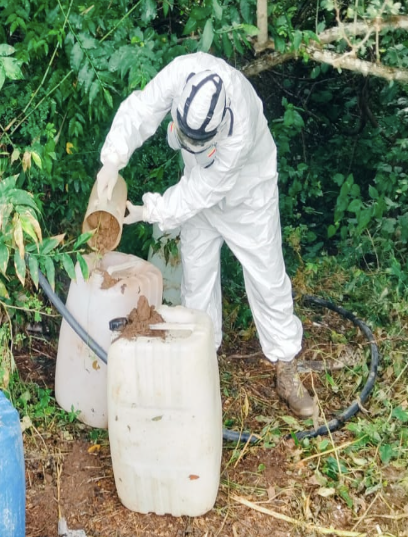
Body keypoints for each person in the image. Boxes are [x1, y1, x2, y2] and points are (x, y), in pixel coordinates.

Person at [94, 52, 314, 418]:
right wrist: (112, 160)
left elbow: (198, 193)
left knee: (267, 278)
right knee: (197, 278)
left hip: (248, 198)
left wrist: (147, 211)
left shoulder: (239, 125)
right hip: (198, 192)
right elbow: (143, 108)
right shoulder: (184, 71)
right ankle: (201, 358)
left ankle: (285, 363)